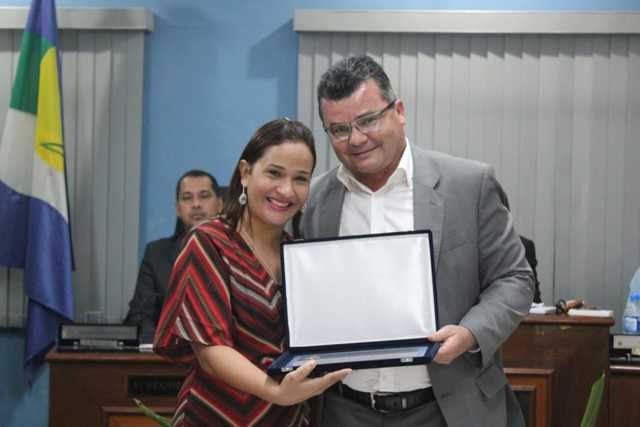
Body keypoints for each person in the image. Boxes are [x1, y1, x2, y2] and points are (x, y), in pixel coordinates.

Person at [301, 55, 535, 426]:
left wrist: (469, 333)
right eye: (339, 129)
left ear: (399, 111)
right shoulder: (314, 199)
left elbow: (515, 279)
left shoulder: (468, 184)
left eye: (368, 120)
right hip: (343, 410)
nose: (356, 139)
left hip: (447, 409)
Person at [153, 118, 350, 426]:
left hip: (288, 417)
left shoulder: (301, 256)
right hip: (216, 415)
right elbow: (211, 350)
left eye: (300, 179)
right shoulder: (209, 243)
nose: (286, 190)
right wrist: (276, 392)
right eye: (274, 173)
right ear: (245, 173)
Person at [125, 169, 222, 343]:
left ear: (220, 205)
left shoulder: (237, 251)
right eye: (187, 198)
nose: (196, 204)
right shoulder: (156, 254)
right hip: (172, 353)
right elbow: (141, 316)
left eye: (204, 196)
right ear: (178, 209)